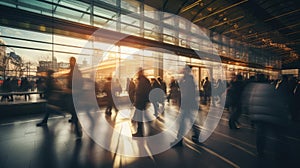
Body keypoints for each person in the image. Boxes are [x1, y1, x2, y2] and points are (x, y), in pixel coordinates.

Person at [242, 74, 289, 165]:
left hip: (257, 115)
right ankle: (280, 154)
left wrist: (248, 112)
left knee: (260, 134)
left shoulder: (252, 87)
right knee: (277, 135)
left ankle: (260, 151)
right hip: (270, 115)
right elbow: (277, 102)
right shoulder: (271, 88)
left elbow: (247, 100)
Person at [171, 65, 200, 146]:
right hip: (188, 104)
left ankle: (179, 141)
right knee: (191, 121)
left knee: (183, 122)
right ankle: (197, 136)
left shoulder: (188, 80)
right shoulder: (186, 79)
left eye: (184, 70)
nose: (183, 71)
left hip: (187, 104)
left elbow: (187, 93)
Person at [65, 57, 84, 137]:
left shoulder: (76, 71)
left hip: (75, 93)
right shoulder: (72, 70)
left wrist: (74, 90)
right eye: (70, 61)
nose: (71, 62)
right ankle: (75, 120)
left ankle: (78, 131)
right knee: (73, 110)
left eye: (72, 61)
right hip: (71, 93)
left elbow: (80, 82)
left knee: (74, 110)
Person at [132, 68, 151, 137]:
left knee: (139, 117)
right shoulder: (144, 80)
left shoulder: (142, 81)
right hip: (142, 101)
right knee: (140, 116)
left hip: (140, 101)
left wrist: (137, 101)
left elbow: (140, 92)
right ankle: (140, 131)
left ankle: (140, 132)